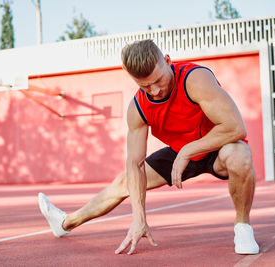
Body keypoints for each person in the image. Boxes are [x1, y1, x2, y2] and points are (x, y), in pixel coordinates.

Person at [38, 39, 259, 255]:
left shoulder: (195, 79)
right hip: (179, 150)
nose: (154, 90)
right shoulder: (138, 108)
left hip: (215, 147)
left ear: (168, 61)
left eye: (158, 80)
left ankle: (243, 227)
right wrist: (139, 218)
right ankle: (65, 223)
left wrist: (187, 151)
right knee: (125, 181)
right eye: (144, 85)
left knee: (239, 154)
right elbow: (135, 164)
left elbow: (235, 127)